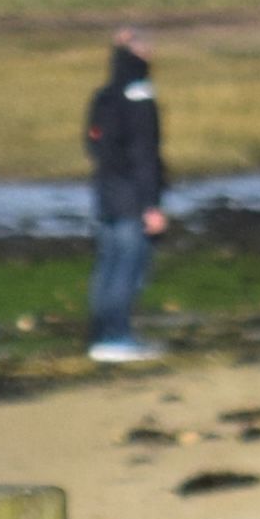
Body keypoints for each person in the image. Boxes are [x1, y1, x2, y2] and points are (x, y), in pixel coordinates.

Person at [84, 26, 165, 357]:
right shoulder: (139, 97)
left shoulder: (104, 97)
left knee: (108, 265)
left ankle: (101, 336)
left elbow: (93, 144)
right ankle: (116, 338)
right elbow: (144, 155)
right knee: (127, 268)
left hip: (105, 194)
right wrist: (151, 204)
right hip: (131, 199)